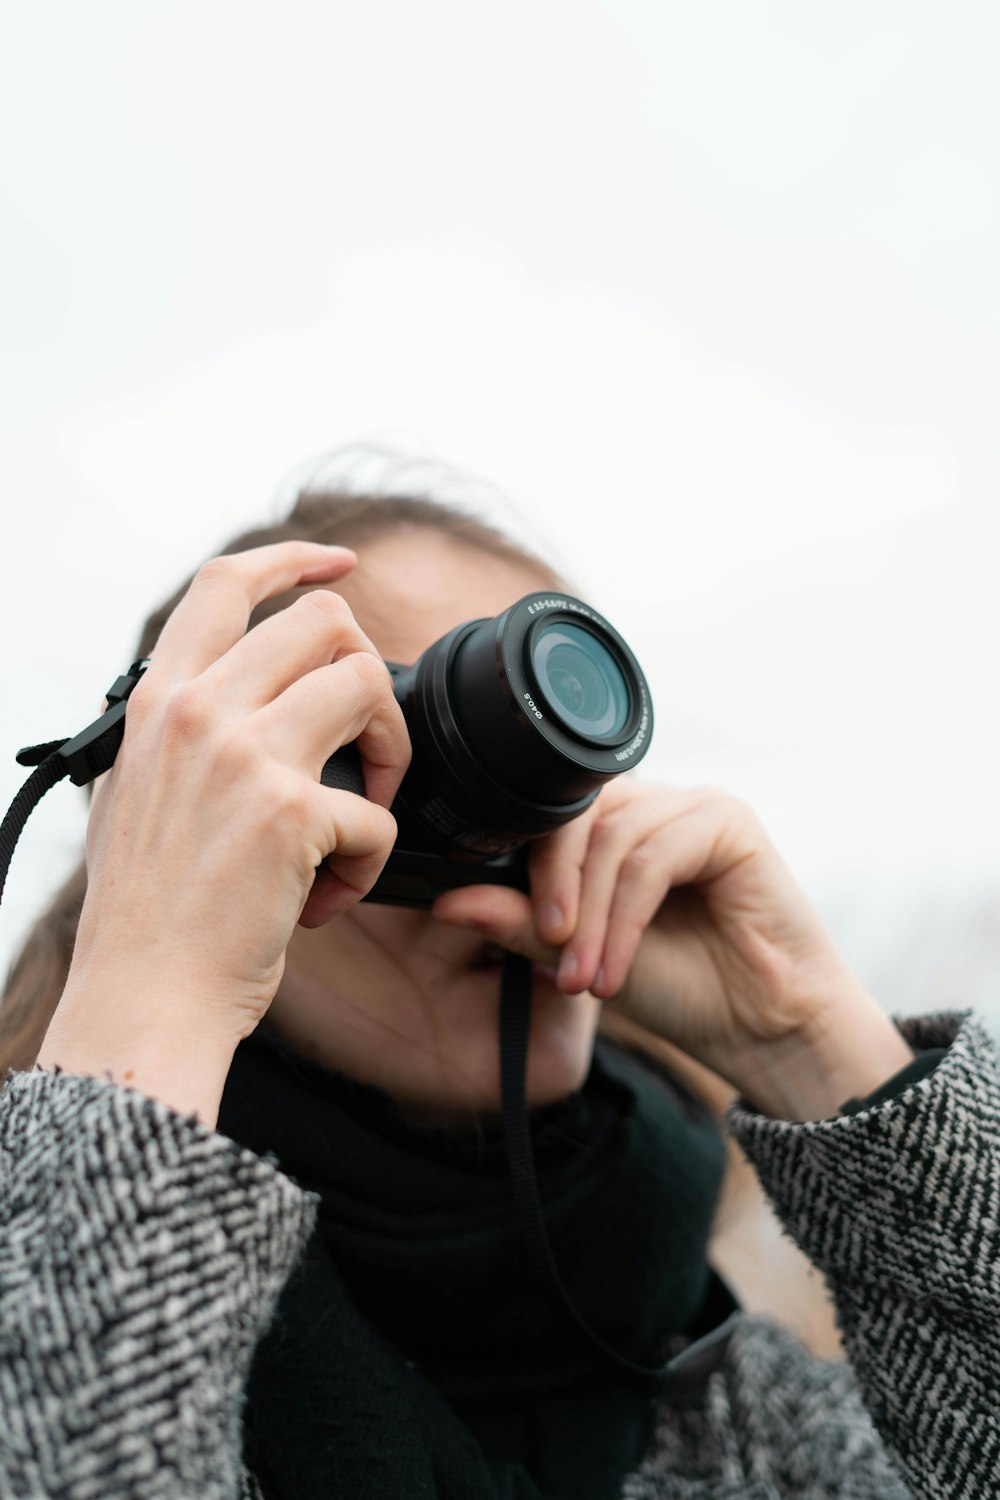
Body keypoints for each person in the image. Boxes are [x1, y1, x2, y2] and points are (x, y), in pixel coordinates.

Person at [0, 483, 995, 1500]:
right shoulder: (30, 1278)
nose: (517, 829)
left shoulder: (733, 1397)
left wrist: (815, 1044)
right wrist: (146, 1011)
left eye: (553, 768)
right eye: (410, 731)